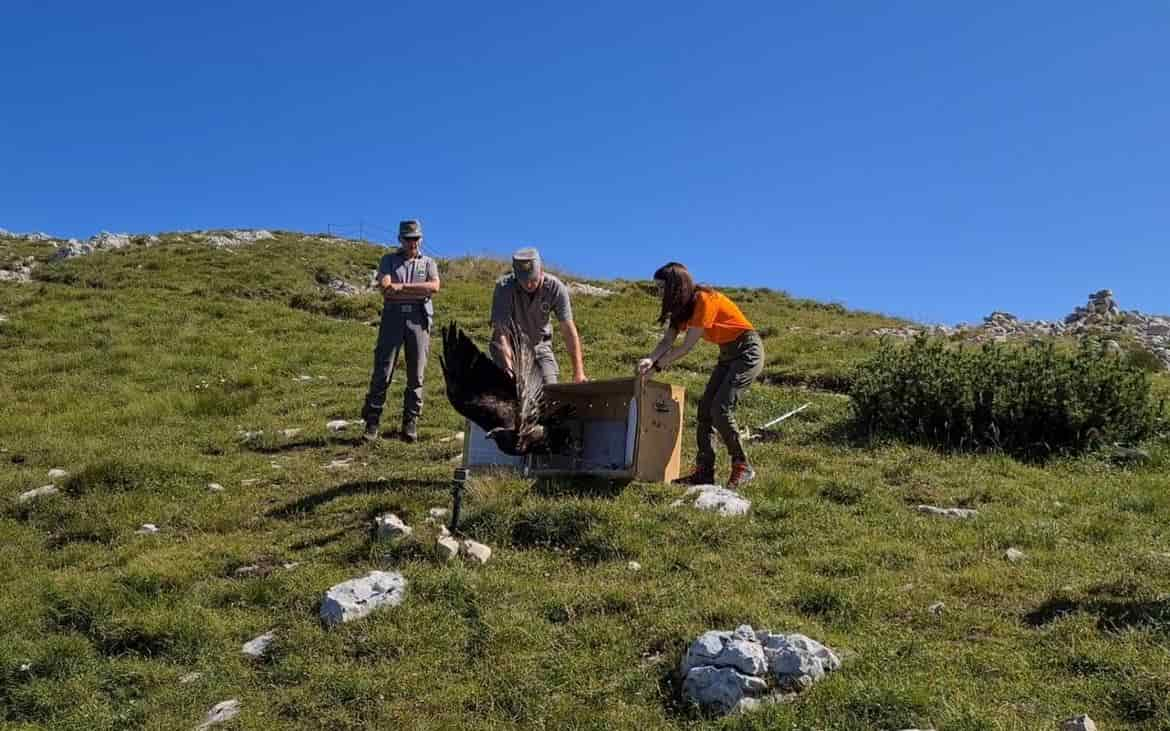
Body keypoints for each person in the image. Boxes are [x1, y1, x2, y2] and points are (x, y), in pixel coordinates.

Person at [637, 262, 764, 488]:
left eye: (661, 287)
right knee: (705, 410)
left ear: (676, 286)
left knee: (720, 408)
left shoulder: (704, 300)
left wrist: (656, 369)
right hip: (727, 354)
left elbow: (685, 347)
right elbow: (668, 341)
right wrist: (650, 358)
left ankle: (742, 465)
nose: (658, 292)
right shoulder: (681, 308)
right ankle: (704, 472)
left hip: (747, 351)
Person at [360, 219, 441, 443]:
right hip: (393, 317)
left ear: (421, 239)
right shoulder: (388, 260)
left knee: (417, 373)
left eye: (415, 239)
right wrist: (414, 290)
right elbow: (386, 288)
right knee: (383, 370)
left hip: (419, 318)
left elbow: (434, 287)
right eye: (408, 239)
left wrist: (402, 287)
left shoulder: (429, 263)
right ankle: (372, 421)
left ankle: (410, 421)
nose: (412, 243)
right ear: (400, 239)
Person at [490, 247, 587, 384]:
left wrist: (579, 372)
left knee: (550, 390)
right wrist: (508, 368)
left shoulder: (556, 288)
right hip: (509, 346)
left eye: (533, 279)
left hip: (539, 347)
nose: (529, 284)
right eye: (524, 281)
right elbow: (502, 332)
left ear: (541, 271)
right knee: (510, 390)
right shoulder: (504, 288)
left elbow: (568, 330)